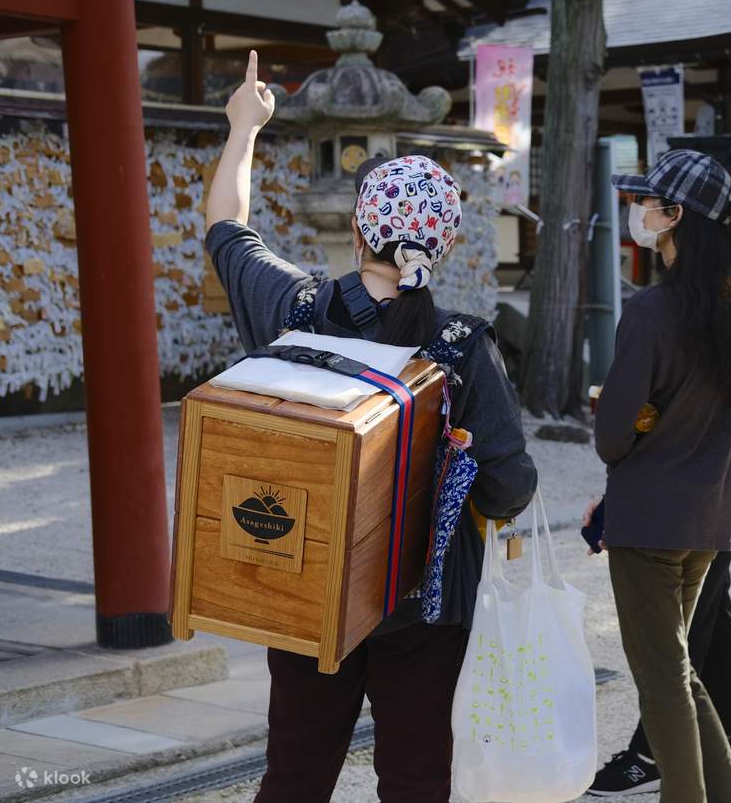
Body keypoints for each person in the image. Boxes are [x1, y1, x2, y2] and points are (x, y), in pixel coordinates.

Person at [204, 51, 537, 803]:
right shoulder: (461, 347)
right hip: (422, 600)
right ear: (443, 245)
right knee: (416, 777)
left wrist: (244, 129)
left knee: (294, 772)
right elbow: (510, 482)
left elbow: (227, 226)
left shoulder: (294, 310)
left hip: (304, 576)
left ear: (359, 231)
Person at [589, 149, 731, 803]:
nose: (639, 213)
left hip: (648, 515)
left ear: (674, 217)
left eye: (648, 203)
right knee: (680, 669)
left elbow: (611, 437)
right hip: (709, 514)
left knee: (661, 677)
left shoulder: (648, 311)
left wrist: (637, 414)